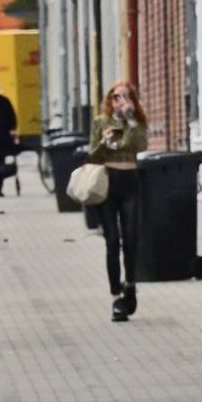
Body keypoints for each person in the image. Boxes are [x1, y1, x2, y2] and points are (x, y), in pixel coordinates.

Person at [85, 80, 150, 320]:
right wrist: (104, 142)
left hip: (130, 182)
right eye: (115, 97)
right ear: (109, 100)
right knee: (112, 240)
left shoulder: (136, 122)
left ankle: (130, 284)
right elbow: (92, 154)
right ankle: (115, 296)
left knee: (131, 239)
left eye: (125, 97)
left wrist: (131, 120)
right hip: (107, 183)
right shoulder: (101, 122)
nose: (120, 102)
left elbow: (139, 145)